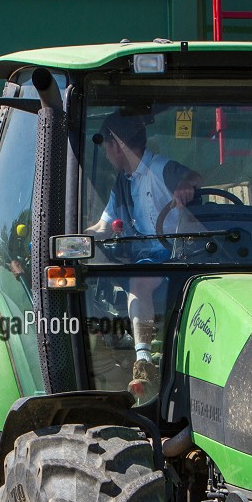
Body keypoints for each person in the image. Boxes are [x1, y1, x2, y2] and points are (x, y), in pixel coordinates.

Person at [85, 113, 195, 398]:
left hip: (176, 256)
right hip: (146, 257)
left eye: (107, 147)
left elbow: (192, 177)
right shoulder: (123, 182)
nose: (108, 154)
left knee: (138, 283)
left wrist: (185, 186)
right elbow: (104, 227)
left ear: (115, 145)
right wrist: (76, 239)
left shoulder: (159, 168)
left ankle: (142, 360)